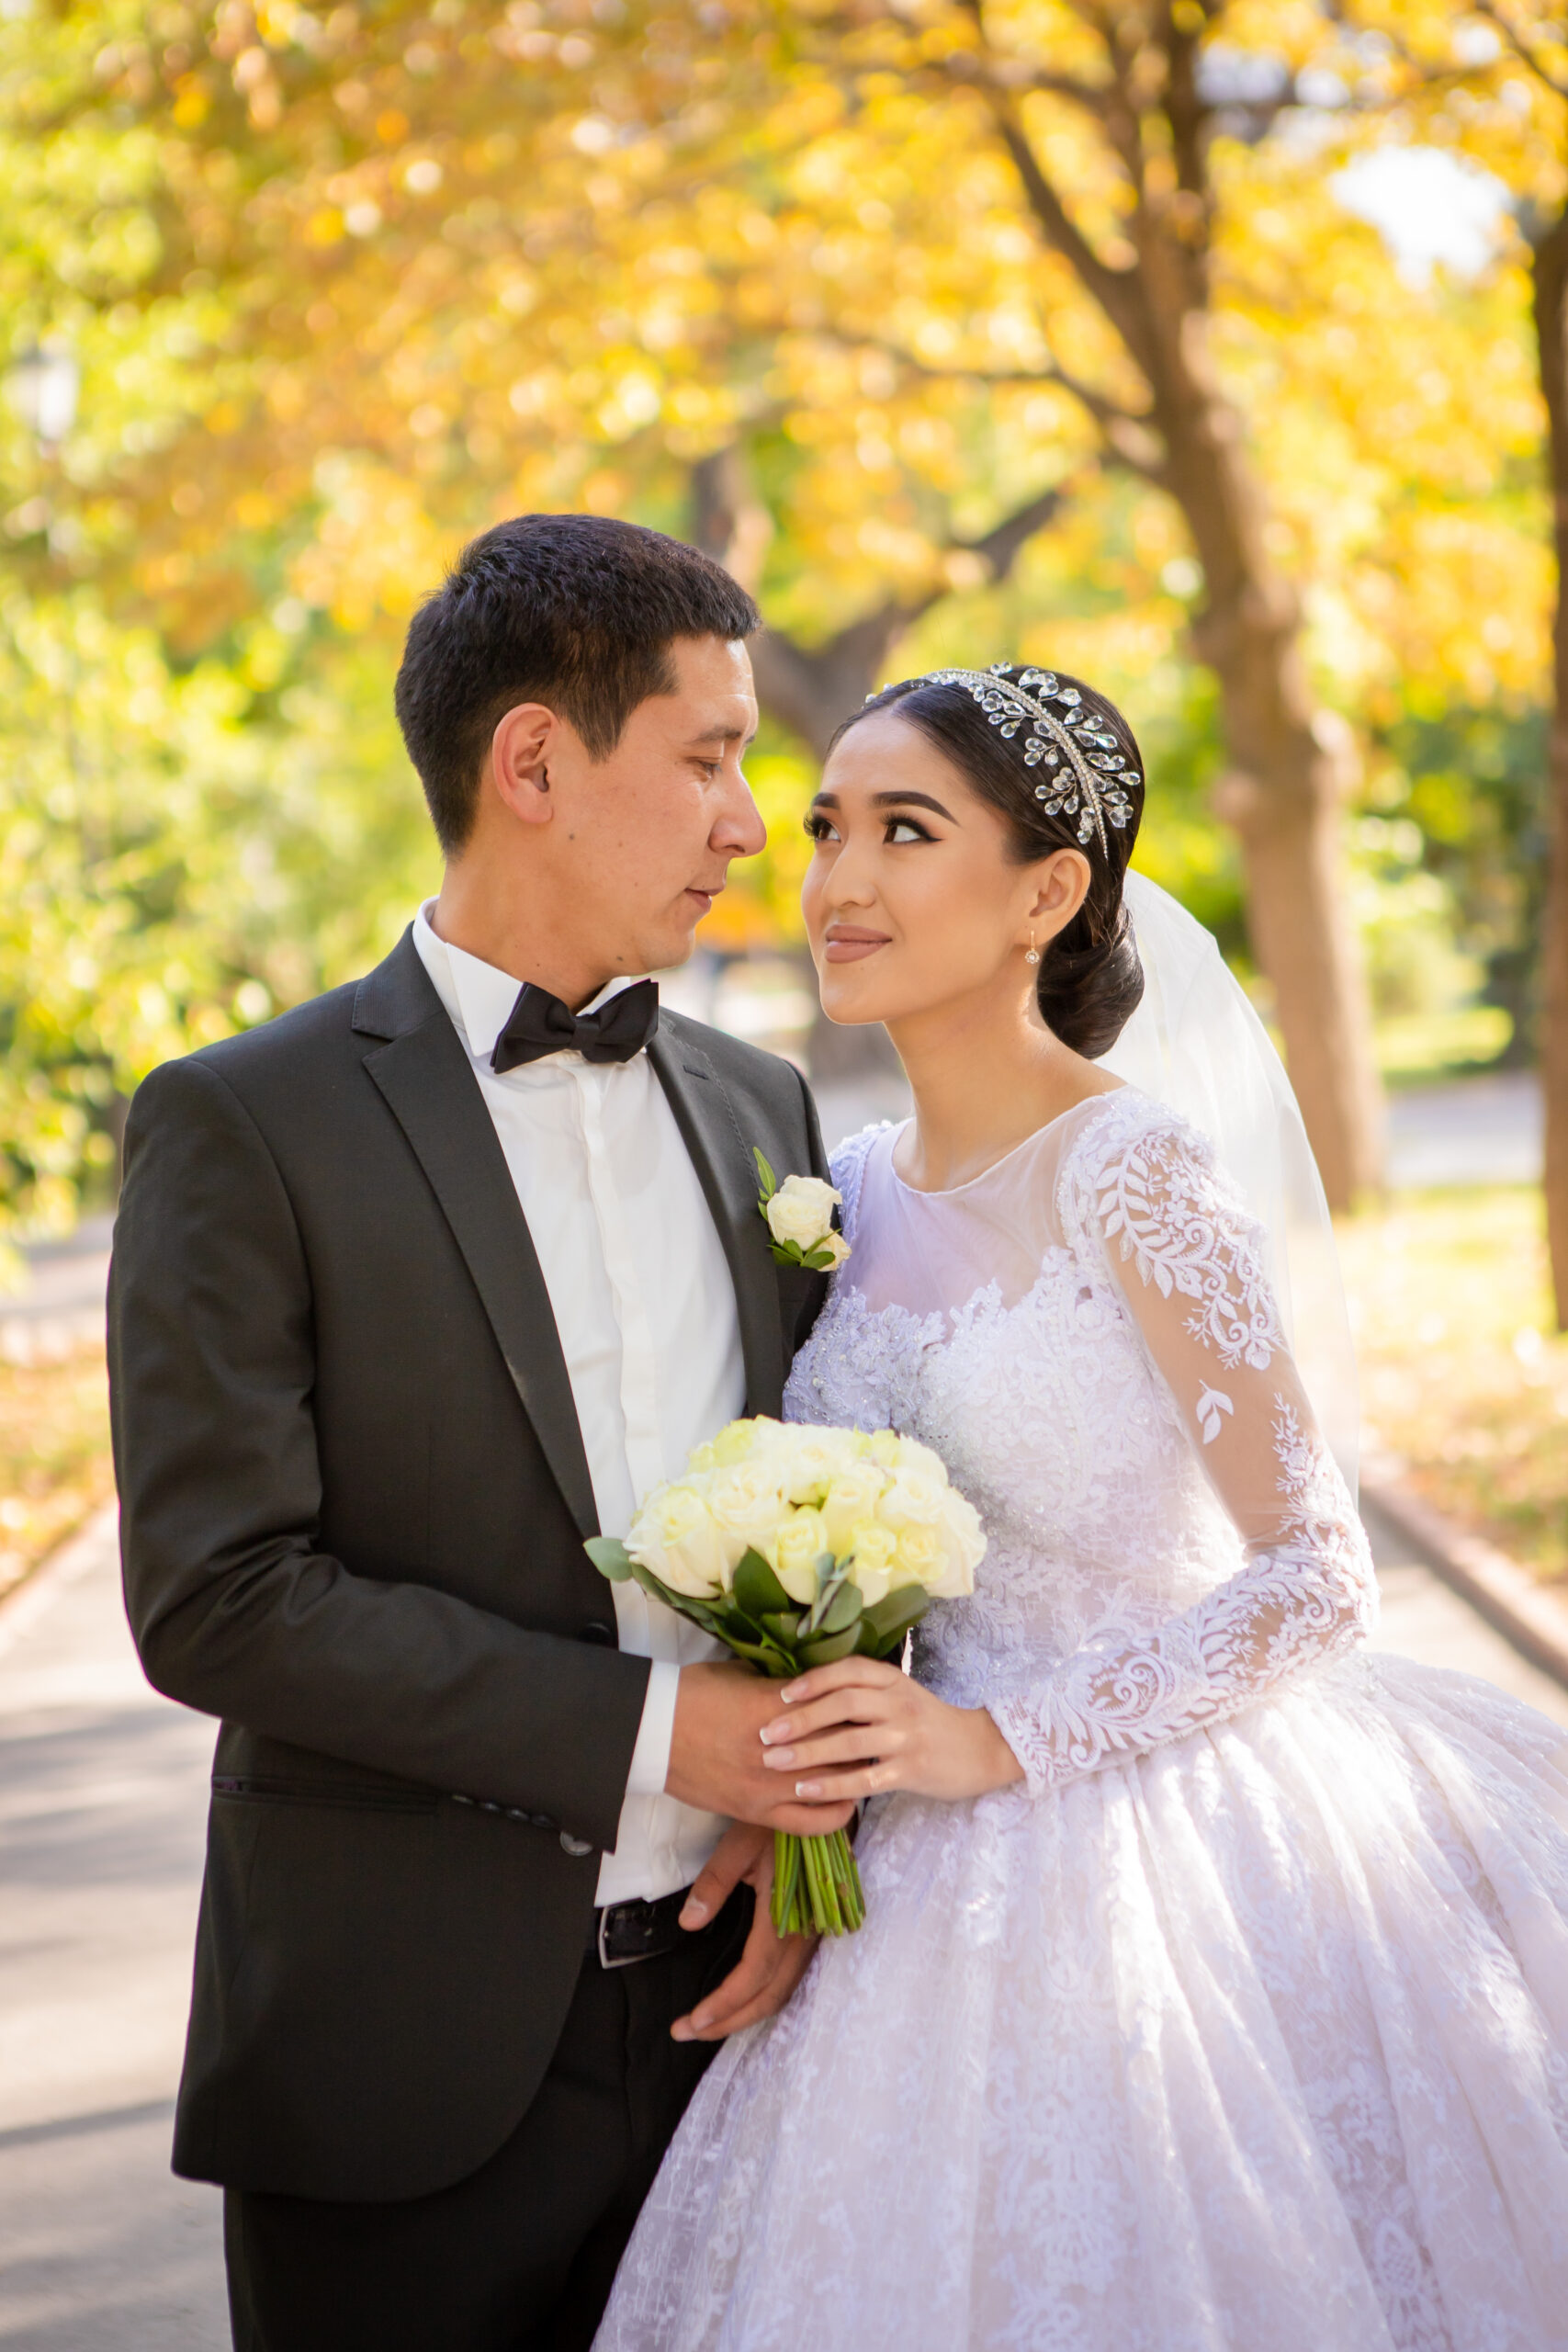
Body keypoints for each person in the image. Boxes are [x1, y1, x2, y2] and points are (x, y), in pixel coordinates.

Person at [594, 663, 1568, 2351]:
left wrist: (1005, 1743)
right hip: (910, 1866)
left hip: (1167, 1832)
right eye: (827, 828)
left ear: (1048, 892)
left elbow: (1317, 1573)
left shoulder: (1134, 1170)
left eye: (908, 831)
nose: (839, 881)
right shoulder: (849, 1189)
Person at [107, 514, 855, 2352]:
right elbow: (219, 1597)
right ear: (533, 762)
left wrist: (803, 1809)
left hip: (750, 2032)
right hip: (396, 2065)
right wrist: (663, 1732)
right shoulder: (245, 1123)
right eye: (707, 757)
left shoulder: (765, 1109)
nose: (749, 823)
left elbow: (847, 1491)